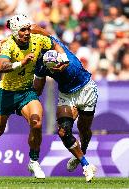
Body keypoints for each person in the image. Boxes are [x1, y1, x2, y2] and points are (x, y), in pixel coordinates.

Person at [0, 14, 67, 183]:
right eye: (23, 30)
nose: (27, 32)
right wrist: (21, 63)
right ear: (14, 32)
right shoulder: (8, 45)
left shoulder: (37, 40)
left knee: (37, 123)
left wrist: (63, 59)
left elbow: (55, 43)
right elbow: (0, 66)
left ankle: (33, 161)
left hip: (26, 92)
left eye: (28, 29)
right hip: (6, 93)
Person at [33, 32, 98, 181]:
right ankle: (86, 165)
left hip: (86, 90)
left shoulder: (69, 61)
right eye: (56, 68)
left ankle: (82, 151)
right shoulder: (43, 65)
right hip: (67, 95)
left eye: (61, 64)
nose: (60, 67)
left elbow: (46, 34)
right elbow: (38, 88)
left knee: (84, 129)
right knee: (63, 131)